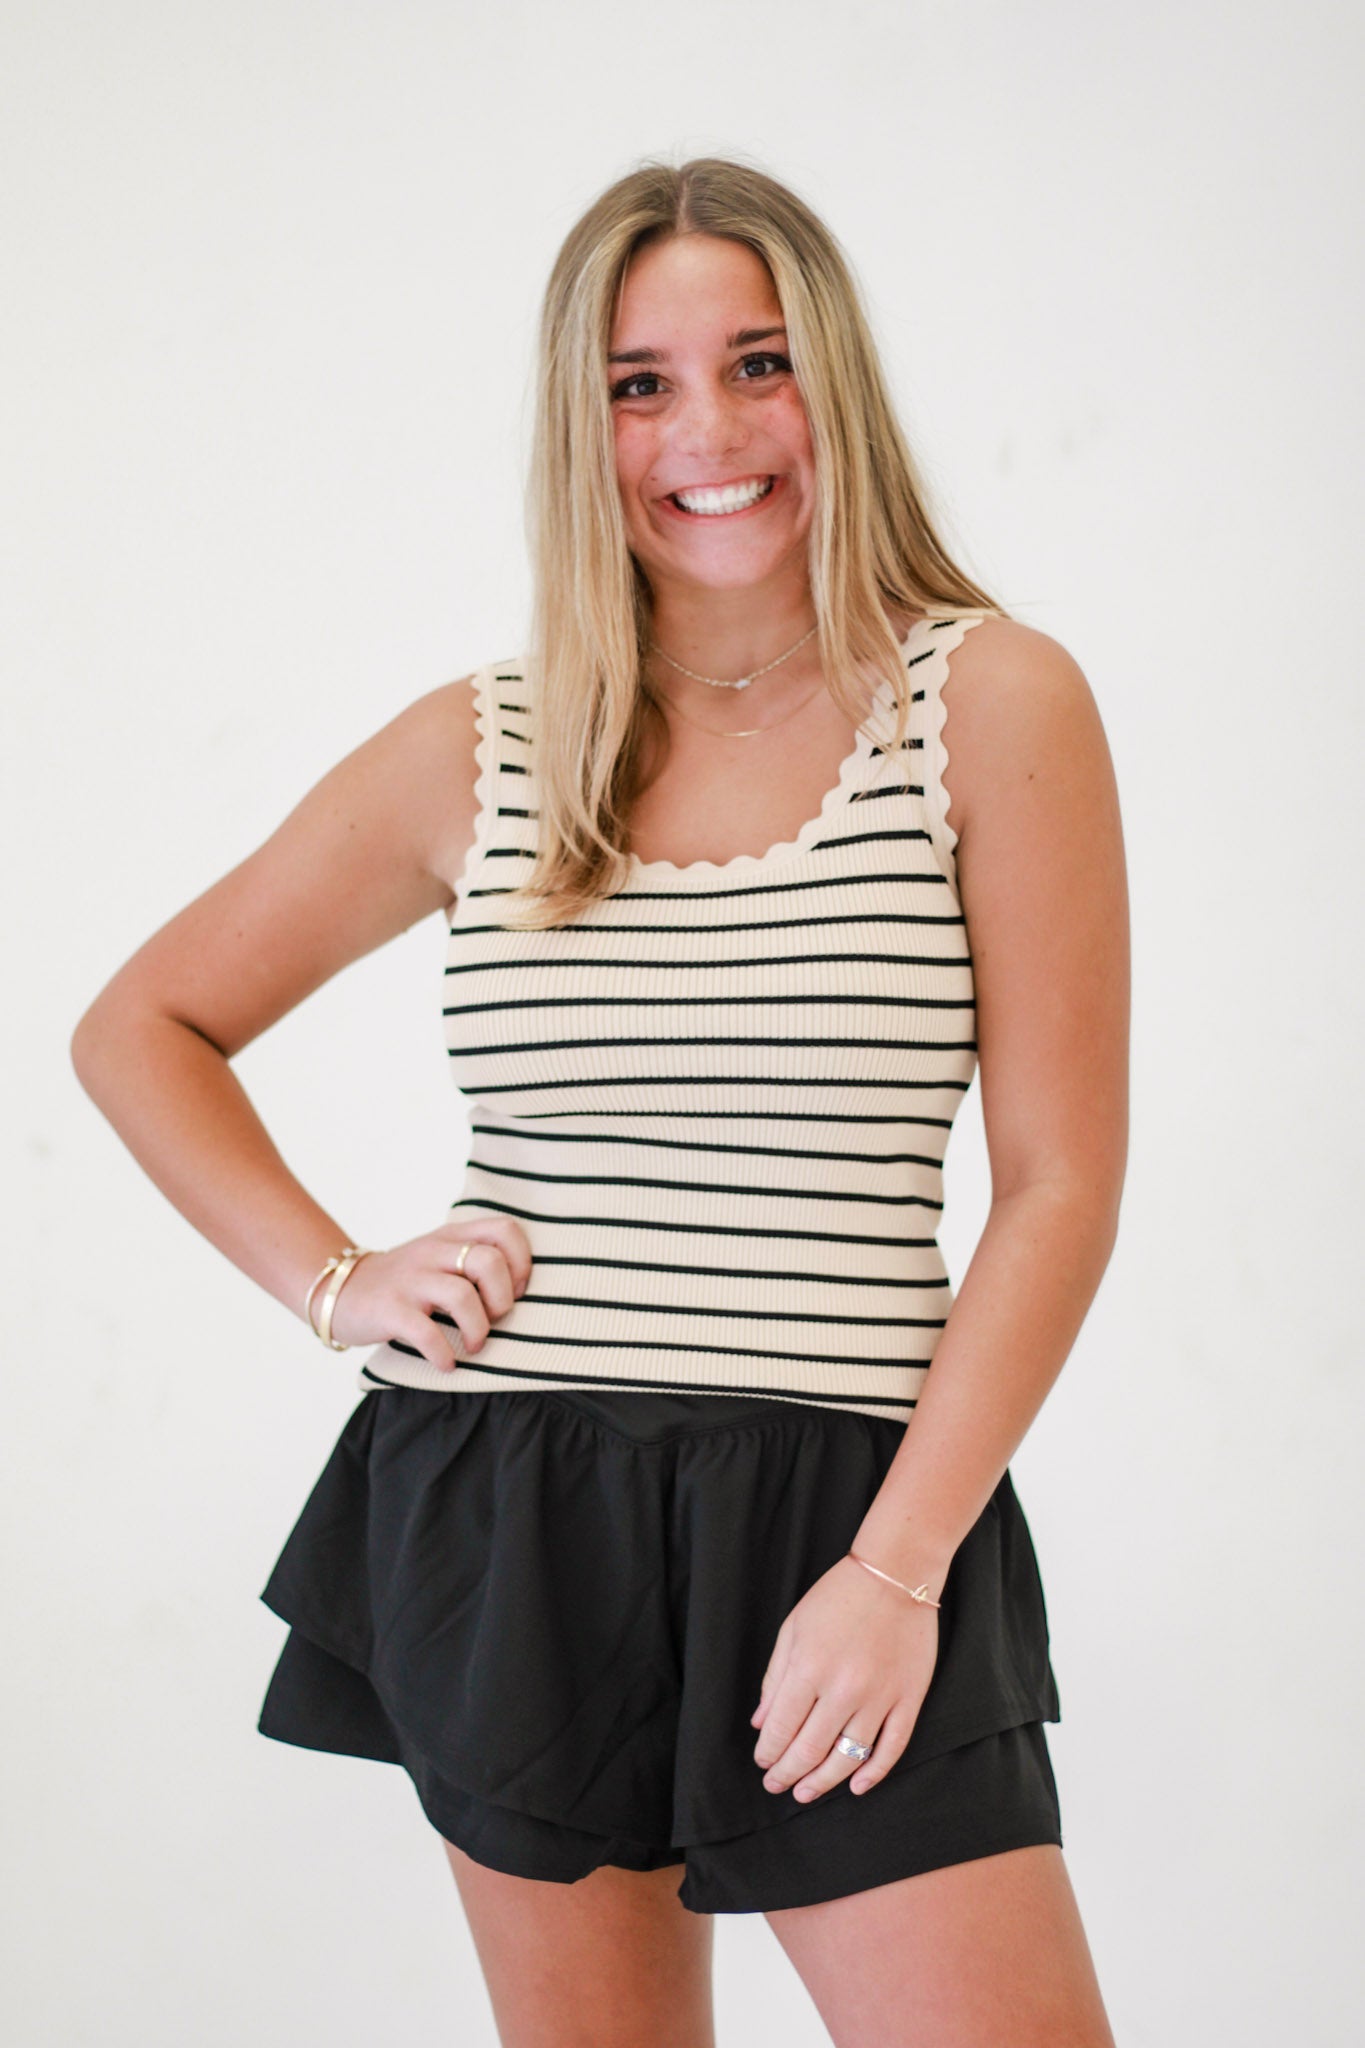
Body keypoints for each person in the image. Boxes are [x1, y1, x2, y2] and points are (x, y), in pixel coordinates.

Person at [71, 155, 1126, 2047]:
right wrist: (338, 1281)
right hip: (515, 1510)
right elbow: (142, 1023)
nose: (705, 432)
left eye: (756, 363)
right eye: (641, 384)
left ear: (832, 381)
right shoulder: (485, 739)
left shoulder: (985, 701)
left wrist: (896, 1569)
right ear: (585, 422)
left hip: (848, 1513)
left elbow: (1056, 1183)